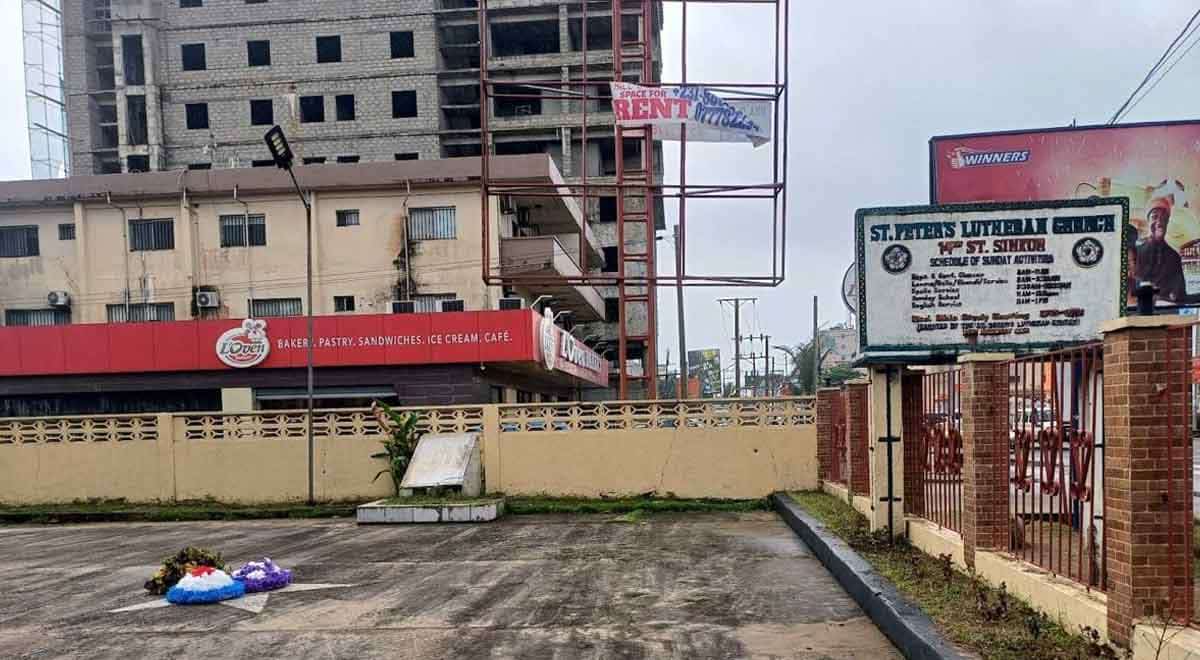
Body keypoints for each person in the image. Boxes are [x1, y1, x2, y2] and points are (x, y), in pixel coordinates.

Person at [1135, 196, 1187, 303]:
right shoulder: (1135, 253)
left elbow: (1179, 294)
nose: (1159, 222)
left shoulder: (1174, 257)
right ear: (1148, 220)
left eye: (1164, 218)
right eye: (1154, 217)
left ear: (1167, 223)